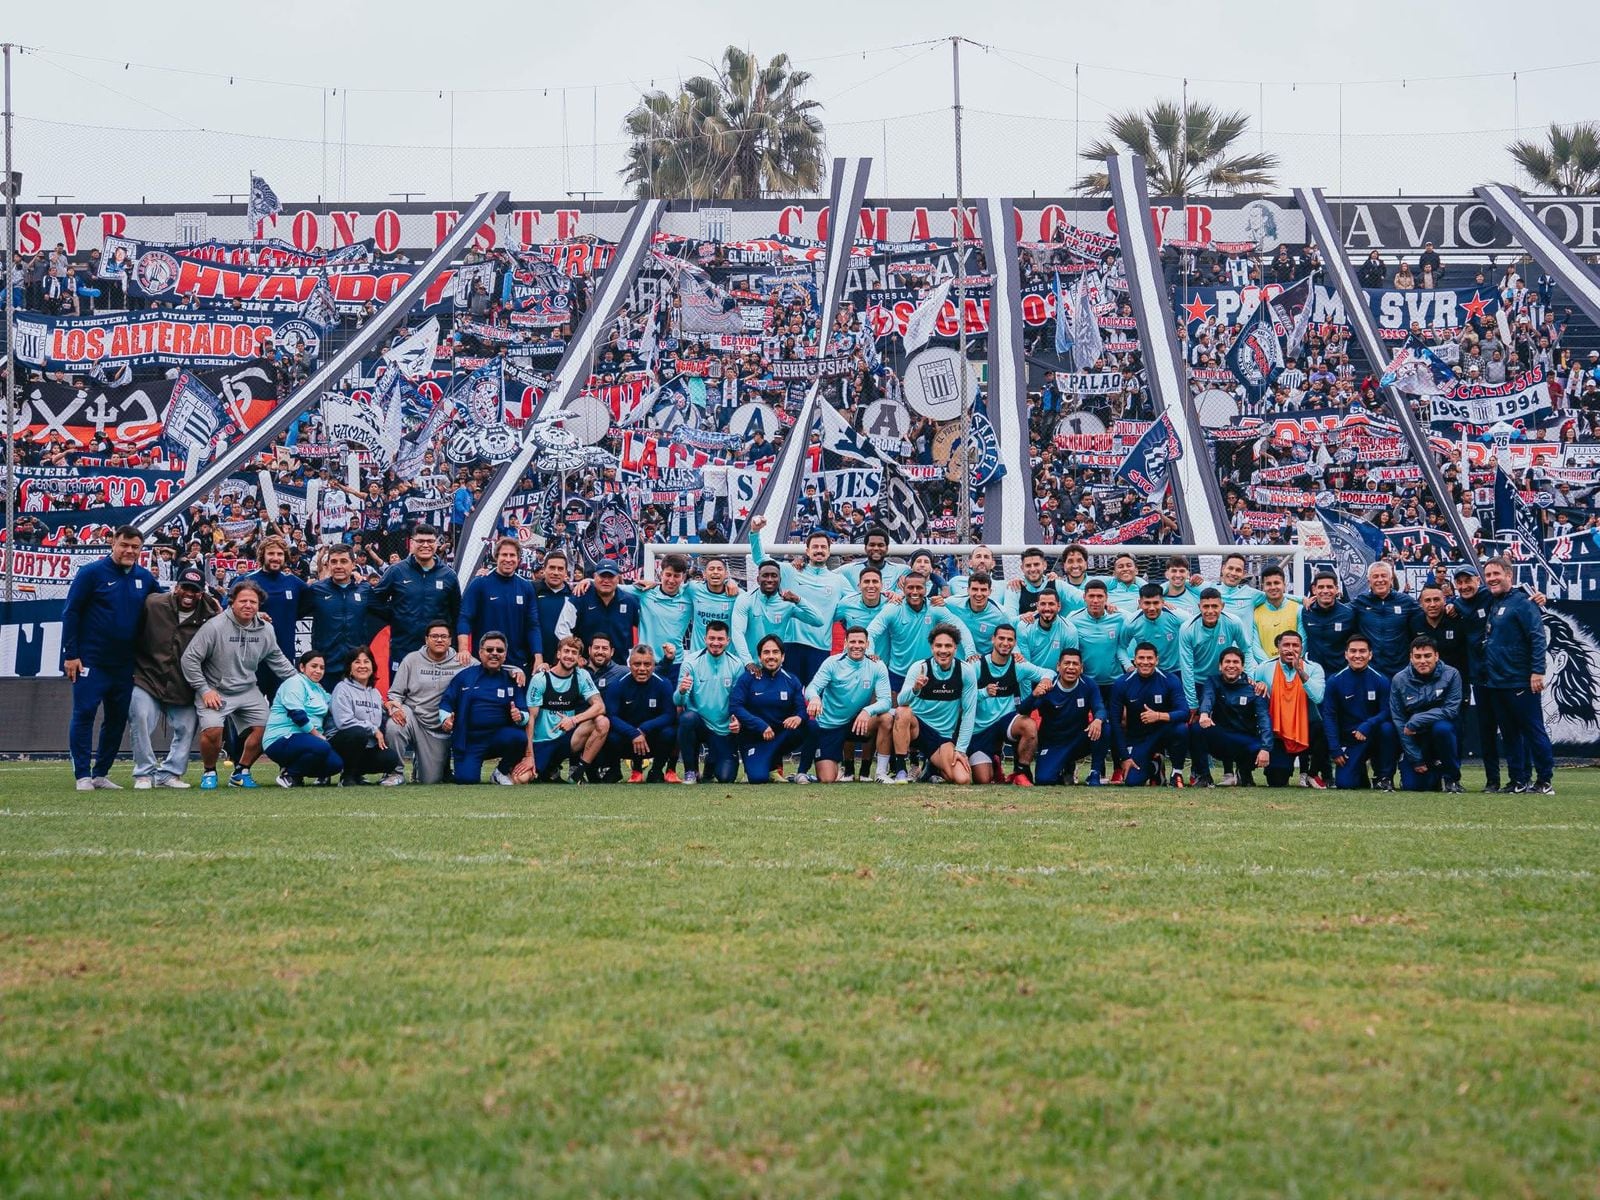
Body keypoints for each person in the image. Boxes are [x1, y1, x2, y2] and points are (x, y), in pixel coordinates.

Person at [62, 524, 162, 790]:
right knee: (84, 713)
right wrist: (71, 655)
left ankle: (100, 774)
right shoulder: (91, 573)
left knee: (117, 719)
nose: (130, 551)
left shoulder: (145, 578)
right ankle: (82, 775)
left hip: (125, 664)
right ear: (113, 544)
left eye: (135, 547)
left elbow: (164, 607)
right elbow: (71, 613)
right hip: (91, 660)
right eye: (124, 545)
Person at [182, 580, 297, 790]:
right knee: (213, 730)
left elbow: (277, 660)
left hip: (247, 689)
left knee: (268, 730)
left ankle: (241, 771)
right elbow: (189, 659)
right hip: (215, 689)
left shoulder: (266, 629)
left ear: (259, 605)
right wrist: (204, 690)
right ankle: (209, 771)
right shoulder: (214, 627)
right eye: (243, 601)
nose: (248, 605)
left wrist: (302, 683)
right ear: (232, 602)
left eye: (253, 602)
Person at [129, 565, 218, 789]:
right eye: (185, 588)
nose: (189, 594)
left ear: (202, 593)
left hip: (183, 682)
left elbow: (233, 620)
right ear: (176, 587)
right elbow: (130, 630)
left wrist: (257, 616)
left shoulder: (211, 613)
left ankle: (169, 774)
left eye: (195, 590)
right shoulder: (153, 604)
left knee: (186, 728)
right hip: (148, 676)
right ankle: (144, 773)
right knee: (140, 717)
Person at [1480, 556, 1553, 795]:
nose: (1491, 579)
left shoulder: (1523, 603)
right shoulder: (1493, 602)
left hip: (1520, 680)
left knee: (1533, 731)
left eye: (1496, 574)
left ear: (1509, 575)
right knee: (1510, 735)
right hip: (1497, 682)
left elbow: (1537, 637)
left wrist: (1537, 671)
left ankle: (1544, 781)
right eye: (1488, 575)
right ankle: (1518, 780)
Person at [748, 517, 848, 684]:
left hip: (820, 647)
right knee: (787, 694)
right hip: (791, 644)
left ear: (829, 552)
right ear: (807, 551)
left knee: (816, 695)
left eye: (823, 547)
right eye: (815, 547)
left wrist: (889, 595)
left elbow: (856, 602)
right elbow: (760, 559)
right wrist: (755, 532)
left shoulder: (839, 580)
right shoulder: (791, 571)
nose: (819, 550)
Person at [805, 625, 894, 784]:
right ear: (845, 643)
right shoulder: (832, 663)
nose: (856, 646)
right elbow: (812, 688)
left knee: (886, 718)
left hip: (857, 723)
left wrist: (867, 711)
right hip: (830, 726)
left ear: (867, 644)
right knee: (827, 779)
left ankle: (880, 773)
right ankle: (841, 767)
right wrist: (814, 698)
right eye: (852, 642)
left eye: (861, 642)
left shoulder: (877, 666)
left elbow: (886, 701)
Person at [967, 623, 1053, 786]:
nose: (1005, 643)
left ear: (1015, 643)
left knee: (1029, 725)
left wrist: (1046, 679)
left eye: (1010, 640)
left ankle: (1021, 772)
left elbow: (1048, 672)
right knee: (983, 780)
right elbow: (962, 693)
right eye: (1001, 638)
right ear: (993, 639)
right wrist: (983, 692)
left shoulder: (1018, 665)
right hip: (980, 729)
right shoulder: (977, 666)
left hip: (1005, 722)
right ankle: (995, 760)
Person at [891, 624, 978, 785]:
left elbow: (969, 712)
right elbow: (901, 701)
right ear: (932, 647)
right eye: (938, 645)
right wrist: (915, 689)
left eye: (948, 646)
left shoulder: (965, 671)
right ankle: (901, 769)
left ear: (955, 648)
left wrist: (960, 750)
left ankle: (931, 769)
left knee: (962, 779)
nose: (943, 650)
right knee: (902, 712)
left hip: (941, 736)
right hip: (916, 729)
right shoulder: (919, 667)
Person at [438, 632, 529, 785]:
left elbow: (525, 712)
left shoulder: (513, 679)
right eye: (489, 650)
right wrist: (445, 719)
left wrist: (520, 716)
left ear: (505, 655)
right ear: (480, 653)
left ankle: (500, 771)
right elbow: (446, 702)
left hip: (498, 738)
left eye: (499, 650)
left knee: (519, 738)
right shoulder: (464, 677)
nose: (494, 653)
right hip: (469, 741)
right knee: (466, 780)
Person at [385, 621, 466, 784]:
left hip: (444, 725)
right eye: (434, 636)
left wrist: (513, 670)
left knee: (430, 780)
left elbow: (489, 665)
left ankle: (421, 762)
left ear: (450, 640)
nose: (439, 640)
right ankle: (395, 773)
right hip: (415, 717)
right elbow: (395, 693)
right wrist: (395, 709)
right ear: (426, 639)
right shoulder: (411, 660)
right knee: (395, 724)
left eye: (443, 636)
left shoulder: (462, 661)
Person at [868, 572, 973, 694]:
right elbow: (871, 632)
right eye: (910, 587)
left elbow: (960, 627)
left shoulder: (934, 608)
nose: (914, 592)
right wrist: (869, 652)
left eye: (919, 587)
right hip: (898, 673)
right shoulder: (894, 608)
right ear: (903, 589)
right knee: (896, 706)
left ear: (926, 589)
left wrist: (970, 653)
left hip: (927, 673)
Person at [376, 524, 463, 672]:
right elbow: (375, 600)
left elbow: (457, 612)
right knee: (400, 686)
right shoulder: (396, 571)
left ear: (436, 543)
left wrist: (455, 646)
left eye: (430, 541)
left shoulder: (449, 575)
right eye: (420, 541)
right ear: (412, 543)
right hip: (403, 647)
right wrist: (394, 616)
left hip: (437, 651)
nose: (425, 545)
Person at [730, 635, 817, 784]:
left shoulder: (791, 680)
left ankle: (801, 773)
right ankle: (766, 768)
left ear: (783, 657)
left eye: (775, 652)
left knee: (812, 725)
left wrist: (798, 717)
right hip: (755, 739)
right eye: (766, 652)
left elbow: (802, 709)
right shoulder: (748, 678)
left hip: (780, 738)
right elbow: (735, 706)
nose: (771, 656)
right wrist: (760, 725)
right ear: (759, 657)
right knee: (758, 778)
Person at [524, 635, 609, 783]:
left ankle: (578, 773)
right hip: (541, 742)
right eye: (566, 651)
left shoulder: (581, 675)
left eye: (574, 653)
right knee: (522, 779)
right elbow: (530, 719)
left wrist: (573, 720)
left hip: (565, 740)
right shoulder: (541, 679)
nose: (569, 656)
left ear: (579, 658)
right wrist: (528, 755)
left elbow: (600, 706)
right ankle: (549, 769)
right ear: (558, 654)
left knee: (602, 722)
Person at [1250, 630, 1327, 788]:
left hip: (1307, 729)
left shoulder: (1314, 668)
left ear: (1302, 648)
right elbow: (1252, 692)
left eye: (1295, 646)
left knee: (1326, 727)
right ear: (1278, 647)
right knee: (1276, 781)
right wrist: (1259, 685)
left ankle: (1311, 773)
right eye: (1286, 645)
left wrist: (1300, 671)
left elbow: (1318, 697)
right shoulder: (1264, 668)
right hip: (1279, 733)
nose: (1290, 649)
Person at [1321, 635, 1398, 791]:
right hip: (1351, 740)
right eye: (1353, 651)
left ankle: (1384, 777)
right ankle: (1360, 773)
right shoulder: (1334, 681)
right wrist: (1335, 749)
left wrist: (1368, 725)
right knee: (1345, 784)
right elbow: (1329, 717)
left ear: (1370, 654)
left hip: (1374, 735)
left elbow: (1387, 711)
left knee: (1388, 729)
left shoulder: (1381, 680)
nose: (1357, 655)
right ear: (1346, 654)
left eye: (1362, 651)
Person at [1390, 636, 1465, 793]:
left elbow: (1451, 710)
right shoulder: (1399, 679)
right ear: (1411, 658)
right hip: (1416, 738)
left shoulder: (1452, 674)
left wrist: (1417, 719)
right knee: (1414, 787)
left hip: (1440, 733)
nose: (1422, 661)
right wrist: (1416, 758)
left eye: (1427, 656)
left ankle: (1451, 778)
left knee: (1443, 728)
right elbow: (1399, 721)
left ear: (1436, 656)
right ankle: (1432, 774)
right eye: (1417, 657)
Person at [300, 544, 379, 690]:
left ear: (353, 565)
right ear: (328, 564)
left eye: (343, 561)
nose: (338, 566)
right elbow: (292, 613)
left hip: (357, 667)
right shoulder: (317, 590)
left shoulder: (365, 589)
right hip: (326, 667)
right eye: (334, 562)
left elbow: (388, 613)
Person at [1109, 643, 1189, 787]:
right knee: (1132, 781)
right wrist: (1125, 757)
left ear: (1157, 660)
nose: (1145, 662)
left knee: (1181, 729)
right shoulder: (1122, 683)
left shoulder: (1170, 680)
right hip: (1138, 738)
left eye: (1150, 658)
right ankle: (1155, 766)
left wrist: (1158, 716)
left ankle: (1177, 772)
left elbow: (1184, 712)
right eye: (1141, 658)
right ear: (1134, 660)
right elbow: (1115, 722)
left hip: (1164, 733)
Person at [458, 537, 543, 673]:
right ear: (496, 557)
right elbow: (465, 618)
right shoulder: (479, 583)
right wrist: (463, 650)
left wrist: (538, 657)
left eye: (512, 555)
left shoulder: (526, 587)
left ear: (518, 559)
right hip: (484, 662)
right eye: (504, 555)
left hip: (516, 663)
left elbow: (532, 625)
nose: (508, 559)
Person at [676, 620, 745, 784]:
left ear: (728, 641)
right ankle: (691, 771)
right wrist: (682, 691)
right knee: (687, 718)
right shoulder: (690, 662)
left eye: (720, 639)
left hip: (723, 729)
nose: (715, 643)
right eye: (712, 638)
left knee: (726, 778)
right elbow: (678, 700)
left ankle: (710, 768)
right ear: (705, 639)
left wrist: (738, 719)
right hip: (699, 723)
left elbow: (738, 700)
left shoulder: (737, 665)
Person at [1025, 648, 1107, 786]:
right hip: (1054, 743)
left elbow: (1100, 707)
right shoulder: (1048, 686)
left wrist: (1098, 719)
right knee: (1044, 780)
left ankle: (1095, 773)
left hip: (1078, 741)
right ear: (1058, 666)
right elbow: (1023, 710)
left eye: (1075, 664)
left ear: (1081, 668)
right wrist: (1033, 696)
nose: (1071, 667)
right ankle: (1065, 768)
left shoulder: (1089, 684)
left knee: (1104, 726)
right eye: (1067, 663)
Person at [1195, 648, 1273, 787]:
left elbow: (1264, 719)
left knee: (1264, 749)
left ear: (1242, 667)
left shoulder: (1255, 689)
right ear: (1220, 666)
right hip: (1221, 738)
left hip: (1244, 739)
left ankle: (1244, 772)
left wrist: (1266, 748)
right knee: (1196, 729)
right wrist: (1204, 714)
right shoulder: (1212, 681)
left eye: (1236, 662)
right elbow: (1208, 697)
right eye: (1227, 662)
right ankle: (1204, 776)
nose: (1231, 665)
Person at [263, 652, 343, 787]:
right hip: (280, 739)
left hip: (306, 741)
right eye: (314, 666)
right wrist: (317, 735)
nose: (318, 671)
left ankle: (295, 775)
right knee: (322, 746)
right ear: (302, 667)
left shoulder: (319, 689)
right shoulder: (294, 683)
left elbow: (335, 703)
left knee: (335, 764)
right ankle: (289, 775)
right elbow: (297, 715)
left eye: (322, 668)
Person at [328, 647, 404, 786]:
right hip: (341, 743)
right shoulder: (342, 688)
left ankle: (357, 774)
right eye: (357, 662)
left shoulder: (374, 693)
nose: (362, 666)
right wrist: (374, 730)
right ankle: (347, 777)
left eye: (366, 662)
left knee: (390, 758)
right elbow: (343, 722)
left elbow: (382, 708)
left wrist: (389, 707)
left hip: (365, 746)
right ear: (350, 668)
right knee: (358, 732)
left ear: (372, 666)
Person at [243, 535, 308, 697]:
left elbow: (314, 600)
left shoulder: (293, 582)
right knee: (251, 708)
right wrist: (253, 614)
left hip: (284, 657)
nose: (275, 558)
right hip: (253, 658)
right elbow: (228, 609)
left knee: (282, 705)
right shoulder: (247, 580)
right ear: (262, 555)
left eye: (280, 554)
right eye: (271, 553)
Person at [603, 645, 678, 783]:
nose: (642, 669)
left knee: (670, 733)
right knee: (610, 735)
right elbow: (611, 716)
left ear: (653, 665)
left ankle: (656, 771)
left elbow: (669, 715)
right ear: (630, 665)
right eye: (637, 664)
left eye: (647, 664)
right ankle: (615, 771)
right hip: (628, 739)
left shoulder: (664, 683)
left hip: (653, 739)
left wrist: (644, 728)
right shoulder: (617, 684)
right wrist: (633, 733)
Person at [733, 560, 827, 663]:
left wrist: (798, 600)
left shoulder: (788, 604)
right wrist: (748, 662)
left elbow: (819, 621)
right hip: (748, 664)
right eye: (765, 575)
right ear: (758, 580)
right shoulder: (745, 599)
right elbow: (738, 633)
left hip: (773, 664)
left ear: (780, 580)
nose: (770, 579)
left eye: (774, 576)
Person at [622, 553, 695, 685]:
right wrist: (588, 581)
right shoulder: (645, 592)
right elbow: (613, 586)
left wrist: (728, 582)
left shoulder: (689, 596)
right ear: (661, 574)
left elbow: (710, 587)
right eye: (668, 574)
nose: (671, 580)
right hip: (647, 662)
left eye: (676, 576)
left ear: (683, 577)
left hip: (675, 662)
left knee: (674, 698)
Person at [1352, 561, 1420, 679]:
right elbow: (1339, 611)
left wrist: (1450, 606)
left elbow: (1428, 612)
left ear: (1391, 579)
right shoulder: (1360, 601)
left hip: (1400, 669)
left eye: (1384, 576)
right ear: (1369, 581)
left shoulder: (1406, 601)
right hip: (1370, 668)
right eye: (1375, 576)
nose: (1380, 580)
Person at [938, 571, 1010, 658]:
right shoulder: (952, 603)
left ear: (990, 592)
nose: (979, 594)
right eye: (975, 589)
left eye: (983, 590)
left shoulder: (1000, 615)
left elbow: (1009, 638)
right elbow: (934, 606)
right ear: (968, 590)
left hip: (983, 661)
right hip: (956, 659)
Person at [1118, 583, 1184, 673]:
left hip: (1175, 670)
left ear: (1162, 602)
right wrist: (1128, 666)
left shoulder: (1178, 616)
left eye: (1156, 603)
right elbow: (1121, 647)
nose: (1152, 608)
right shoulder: (1131, 622)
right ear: (1140, 603)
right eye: (1147, 603)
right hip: (1147, 671)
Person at [1407, 584, 1469, 679]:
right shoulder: (1414, 623)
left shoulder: (1457, 619)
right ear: (1421, 603)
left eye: (1436, 599)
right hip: (1424, 680)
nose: (1432, 605)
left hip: (1454, 679)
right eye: (1428, 600)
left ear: (1444, 600)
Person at [531, 550, 579, 666]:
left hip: (563, 663)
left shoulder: (574, 596)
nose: (556, 572)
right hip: (534, 660)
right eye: (552, 568)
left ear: (566, 572)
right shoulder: (532, 590)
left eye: (560, 569)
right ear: (544, 569)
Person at [1301, 572, 1356, 672]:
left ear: (1337, 589)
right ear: (1314, 589)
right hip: (1314, 673)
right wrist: (1301, 599)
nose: (1325, 591)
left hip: (1340, 673)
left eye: (1329, 587)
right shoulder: (1306, 612)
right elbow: (1279, 597)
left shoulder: (1348, 614)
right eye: (1321, 587)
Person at [686, 554, 742, 652]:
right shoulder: (693, 588)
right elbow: (674, 587)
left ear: (726, 574)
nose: (715, 572)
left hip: (726, 655)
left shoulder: (737, 594)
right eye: (711, 569)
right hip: (698, 655)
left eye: (719, 569)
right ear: (704, 574)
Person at [1014, 588, 1078, 672]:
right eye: (1043, 604)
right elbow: (1025, 665)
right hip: (1031, 676)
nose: (1047, 608)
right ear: (1037, 606)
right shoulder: (1024, 627)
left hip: (1057, 678)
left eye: (1051, 604)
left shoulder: (1069, 630)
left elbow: (1070, 665)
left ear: (1059, 606)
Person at [1252, 565, 1304, 660]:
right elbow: (1255, 646)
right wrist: (1270, 665)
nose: (1273, 587)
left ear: (1284, 585)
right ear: (1263, 587)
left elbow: (1303, 641)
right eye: (1268, 584)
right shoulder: (1255, 613)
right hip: (1266, 666)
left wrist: (1290, 662)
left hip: (1294, 665)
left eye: (1276, 583)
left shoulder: (1298, 609)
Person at [836, 526, 908, 593]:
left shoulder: (901, 570)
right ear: (865, 548)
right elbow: (830, 576)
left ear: (886, 549)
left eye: (880, 545)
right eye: (872, 545)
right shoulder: (849, 570)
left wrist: (907, 578)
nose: (876, 548)